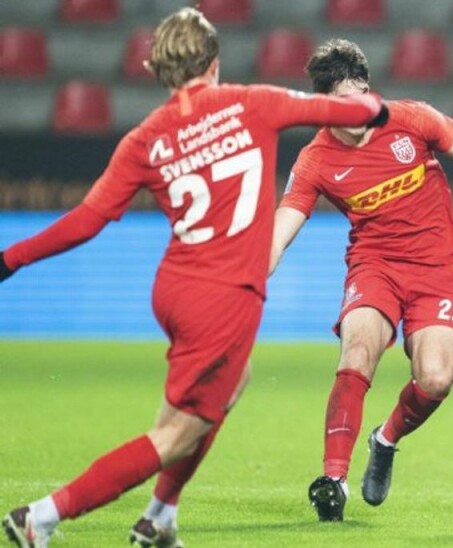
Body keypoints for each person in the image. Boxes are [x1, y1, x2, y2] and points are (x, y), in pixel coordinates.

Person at [0, 8, 387, 548]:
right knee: (175, 434)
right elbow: (357, 109)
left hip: (176, 287)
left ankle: (160, 517)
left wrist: (9, 260)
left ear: (155, 67)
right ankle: (39, 517)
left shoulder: (145, 139)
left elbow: (86, 221)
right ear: (215, 61)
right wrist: (370, 101)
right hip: (224, 296)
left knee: (233, 383)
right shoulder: (253, 102)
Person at [270, 38, 453, 522]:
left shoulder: (411, 118)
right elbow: (282, 228)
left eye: (365, 94)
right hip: (375, 267)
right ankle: (334, 479)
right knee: (358, 350)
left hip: (436, 270)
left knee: (435, 379)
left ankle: (385, 439)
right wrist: (250, 276)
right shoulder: (315, 160)